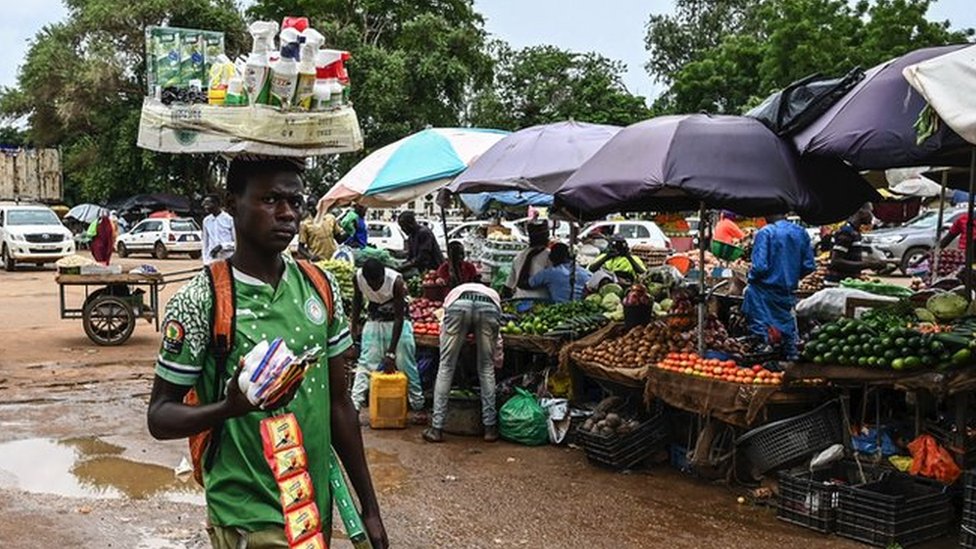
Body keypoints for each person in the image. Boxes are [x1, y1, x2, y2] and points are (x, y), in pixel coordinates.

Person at [146, 157, 388, 549]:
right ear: (232, 203)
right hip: (247, 517)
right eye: (271, 199)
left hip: (312, 511)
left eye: (296, 201)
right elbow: (159, 417)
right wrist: (229, 408)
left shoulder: (320, 287)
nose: (288, 214)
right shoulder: (202, 299)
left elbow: (340, 405)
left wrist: (370, 507)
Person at [423, 281, 502, 443]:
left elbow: (443, 328)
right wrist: (498, 357)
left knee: (446, 366)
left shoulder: (455, 292)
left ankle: (436, 429)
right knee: (486, 367)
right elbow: (498, 340)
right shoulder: (491, 293)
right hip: (489, 307)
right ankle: (490, 428)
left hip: (458, 305)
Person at [349, 258, 424, 414]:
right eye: (373, 283)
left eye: (379, 282)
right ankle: (354, 405)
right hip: (375, 318)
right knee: (366, 363)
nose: (376, 286)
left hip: (397, 323)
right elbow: (357, 300)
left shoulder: (396, 281)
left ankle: (417, 404)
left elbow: (399, 317)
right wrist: (354, 326)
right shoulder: (358, 278)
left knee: (406, 364)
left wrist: (391, 352)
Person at [741, 215, 816, 359]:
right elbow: (809, 266)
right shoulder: (800, 232)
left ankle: (765, 360)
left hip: (763, 292)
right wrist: (791, 274)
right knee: (788, 333)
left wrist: (750, 277)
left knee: (761, 334)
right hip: (787, 292)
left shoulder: (766, 233)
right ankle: (791, 362)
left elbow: (760, 267)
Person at [826, 204, 885, 283]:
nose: (872, 216)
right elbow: (836, 261)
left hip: (847, 283)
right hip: (838, 284)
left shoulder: (855, 232)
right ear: (861, 211)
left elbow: (850, 258)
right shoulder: (846, 232)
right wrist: (868, 264)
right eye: (870, 211)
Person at [503, 221, 551, 300]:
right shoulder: (550, 257)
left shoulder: (519, 257)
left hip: (519, 300)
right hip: (542, 301)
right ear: (546, 237)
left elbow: (508, 286)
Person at [397, 211, 444, 276]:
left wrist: (401, 268)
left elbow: (422, 257)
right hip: (424, 271)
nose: (402, 229)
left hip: (435, 271)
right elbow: (410, 255)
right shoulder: (411, 236)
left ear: (410, 224)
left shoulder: (424, 233)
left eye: (403, 226)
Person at [201, 194, 235, 265]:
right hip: (212, 260)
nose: (204, 206)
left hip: (227, 258)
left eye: (208, 203)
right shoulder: (206, 221)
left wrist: (222, 246)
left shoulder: (229, 219)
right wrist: (205, 261)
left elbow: (237, 243)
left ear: (216, 204)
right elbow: (205, 243)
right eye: (204, 203)